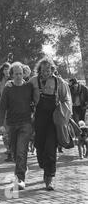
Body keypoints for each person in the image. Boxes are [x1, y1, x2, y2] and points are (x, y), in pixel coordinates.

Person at [29, 57, 72, 190]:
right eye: (43, 70)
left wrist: (62, 114)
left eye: (49, 70)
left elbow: (67, 100)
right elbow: (26, 97)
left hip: (54, 120)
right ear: (39, 69)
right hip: (39, 119)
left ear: (52, 69)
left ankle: (49, 178)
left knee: (50, 149)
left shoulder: (59, 82)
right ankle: (44, 166)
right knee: (40, 147)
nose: (46, 72)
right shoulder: (32, 81)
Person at [0, 62, 34, 190]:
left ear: (24, 74)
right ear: (11, 75)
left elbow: (35, 101)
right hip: (12, 124)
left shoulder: (29, 86)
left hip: (25, 123)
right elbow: (2, 108)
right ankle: (22, 167)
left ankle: (20, 178)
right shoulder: (8, 88)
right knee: (14, 152)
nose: (19, 76)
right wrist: (1, 124)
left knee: (21, 151)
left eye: (20, 73)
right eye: (16, 74)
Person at [0, 62, 13, 161]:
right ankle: (9, 150)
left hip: (13, 109)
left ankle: (13, 151)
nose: (7, 71)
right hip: (3, 109)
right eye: (5, 69)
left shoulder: (14, 80)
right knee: (4, 131)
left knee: (13, 131)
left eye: (8, 69)